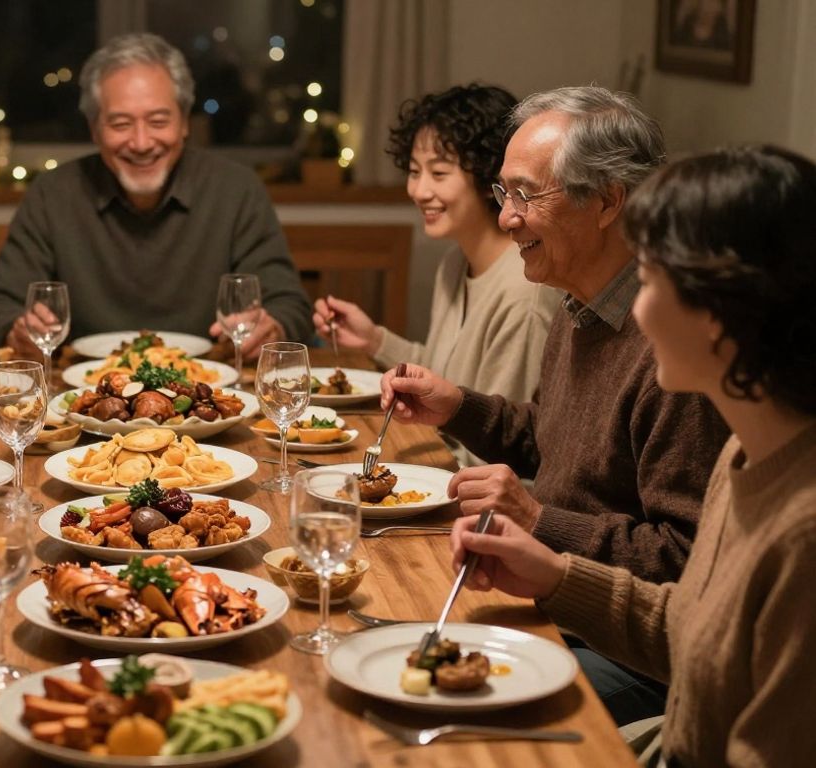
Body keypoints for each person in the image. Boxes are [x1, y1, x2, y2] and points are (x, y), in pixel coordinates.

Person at [449, 145, 816, 767]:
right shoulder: (745, 458)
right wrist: (558, 578)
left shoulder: (802, 535)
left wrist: (547, 529)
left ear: (722, 315)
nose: (636, 311)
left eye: (650, 282)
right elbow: (690, 630)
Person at [381, 86, 729, 584]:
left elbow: (684, 560)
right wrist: (457, 405)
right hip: (545, 584)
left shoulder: (673, 348)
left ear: (608, 202)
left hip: (606, 641)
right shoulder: (578, 300)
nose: (506, 218)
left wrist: (538, 520)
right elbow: (550, 440)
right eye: (503, 193)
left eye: (526, 194)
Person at [0, 33, 313, 360]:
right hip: (83, 396)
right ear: (94, 129)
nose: (142, 143)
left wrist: (272, 328)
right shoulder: (53, 194)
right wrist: (16, 330)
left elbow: (290, 305)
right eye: (120, 124)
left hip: (211, 394)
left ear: (185, 124)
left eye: (159, 121)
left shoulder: (236, 189)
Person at [314, 84, 558, 467]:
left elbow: (500, 446)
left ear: (486, 176)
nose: (420, 190)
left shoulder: (523, 291)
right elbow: (446, 379)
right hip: (437, 460)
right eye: (414, 172)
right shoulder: (454, 263)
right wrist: (374, 340)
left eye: (439, 173)